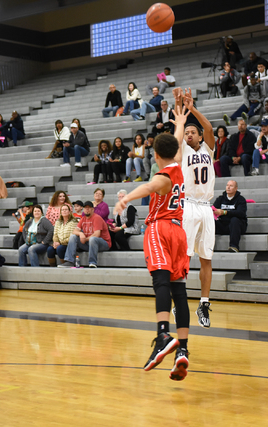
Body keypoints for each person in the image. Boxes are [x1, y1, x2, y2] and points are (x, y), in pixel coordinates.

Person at [113, 130, 190, 381]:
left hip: (161, 229)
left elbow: (149, 186)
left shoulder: (163, 174)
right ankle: (183, 349)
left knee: (161, 280)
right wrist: (179, 124)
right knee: (179, 291)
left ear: (155, 155)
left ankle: (163, 335)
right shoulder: (178, 166)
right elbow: (175, 146)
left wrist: (125, 199)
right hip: (179, 232)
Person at [172, 87, 217, 328]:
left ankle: (204, 303)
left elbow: (209, 129)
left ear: (199, 136)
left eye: (192, 132)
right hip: (188, 206)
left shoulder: (208, 149)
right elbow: (177, 133)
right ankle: (179, 303)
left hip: (206, 208)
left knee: (206, 258)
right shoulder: (184, 150)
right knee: (185, 257)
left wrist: (193, 109)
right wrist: (179, 106)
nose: (188, 134)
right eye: (186, 132)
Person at [59, 201, 111, 268]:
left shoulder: (97, 218)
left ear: (93, 209)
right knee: (73, 237)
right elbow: (75, 231)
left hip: (103, 243)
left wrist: (85, 239)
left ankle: (92, 262)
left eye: (89, 208)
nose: (87, 210)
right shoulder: (83, 219)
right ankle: (69, 261)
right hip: (89, 244)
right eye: (85, 208)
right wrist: (80, 233)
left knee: (93, 239)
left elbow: (97, 234)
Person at [213, 180, 247, 253]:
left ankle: (234, 246)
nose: (228, 187)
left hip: (237, 226)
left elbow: (240, 213)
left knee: (234, 220)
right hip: (223, 224)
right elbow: (214, 209)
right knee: (210, 221)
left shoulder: (241, 199)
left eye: (231, 186)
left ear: (236, 189)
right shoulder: (220, 199)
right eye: (227, 185)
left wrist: (225, 212)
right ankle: (208, 247)